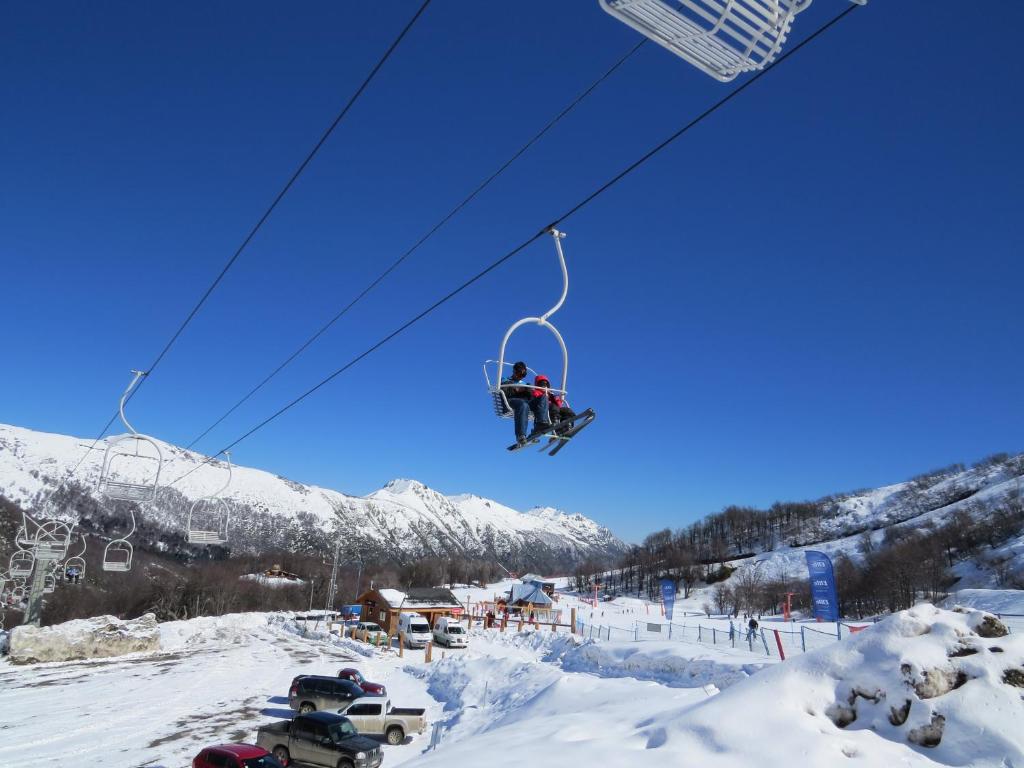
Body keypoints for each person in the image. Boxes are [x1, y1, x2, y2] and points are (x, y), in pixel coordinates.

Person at [501, 361, 550, 446]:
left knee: (543, 397)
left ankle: (541, 423)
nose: (520, 377)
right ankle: (521, 435)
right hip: (511, 401)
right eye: (519, 374)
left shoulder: (524, 384)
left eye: (523, 375)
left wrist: (529, 391)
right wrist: (519, 389)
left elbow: (531, 397)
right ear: (514, 371)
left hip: (525, 402)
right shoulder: (505, 379)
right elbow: (506, 392)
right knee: (523, 405)